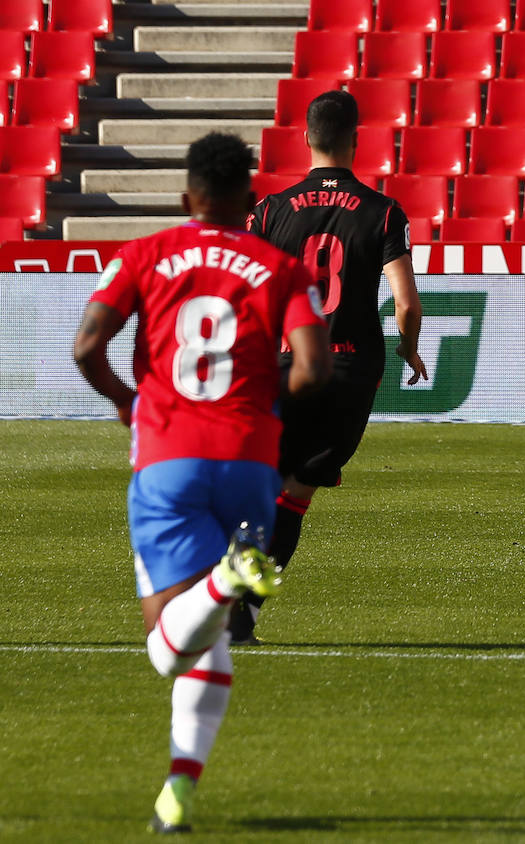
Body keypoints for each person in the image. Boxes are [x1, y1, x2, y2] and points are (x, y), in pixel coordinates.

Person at [72, 132, 331, 832]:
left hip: (168, 456)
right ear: (250, 200)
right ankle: (176, 795)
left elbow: (86, 347)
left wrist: (129, 403)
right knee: (210, 645)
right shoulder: (278, 266)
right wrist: (259, 395)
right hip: (250, 461)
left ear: (188, 197)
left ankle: (226, 580)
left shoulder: (143, 255)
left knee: (168, 647)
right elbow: (314, 367)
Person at [234, 89, 427, 644]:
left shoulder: (268, 211)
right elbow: (407, 302)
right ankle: (243, 610)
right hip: (349, 373)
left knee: (263, 486)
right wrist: (407, 345)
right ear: (356, 141)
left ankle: (226, 593)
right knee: (296, 493)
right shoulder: (383, 210)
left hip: (285, 365)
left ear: (306, 139)